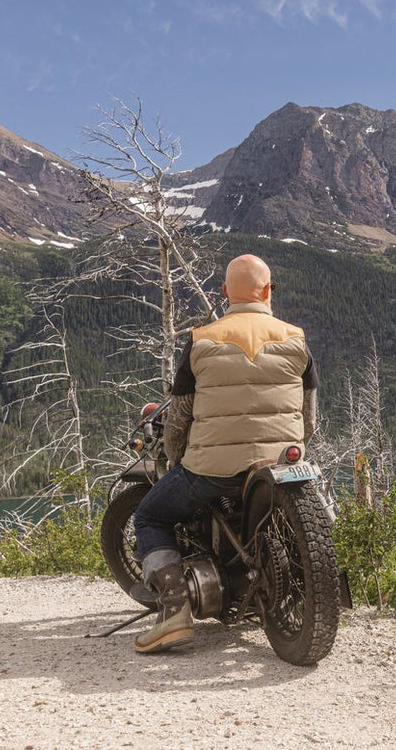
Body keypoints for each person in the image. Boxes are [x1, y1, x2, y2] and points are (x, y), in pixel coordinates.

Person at [130, 254, 318, 654]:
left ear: (224, 294)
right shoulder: (296, 339)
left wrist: (177, 460)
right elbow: (309, 418)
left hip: (212, 470)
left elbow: (178, 420)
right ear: (268, 292)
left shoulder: (203, 340)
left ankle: (175, 613)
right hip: (278, 464)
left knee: (150, 515)